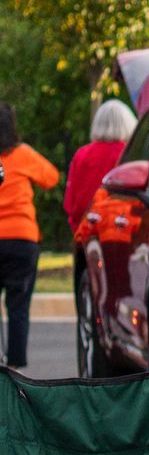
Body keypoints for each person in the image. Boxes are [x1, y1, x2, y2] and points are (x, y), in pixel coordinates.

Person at [0, 103, 62, 370]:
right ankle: (14, 368)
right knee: (18, 307)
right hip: (22, 238)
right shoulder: (23, 154)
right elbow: (52, 178)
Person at [64, 99, 137, 236]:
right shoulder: (131, 154)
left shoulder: (82, 155)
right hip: (123, 230)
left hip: (87, 230)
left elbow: (70, 203)